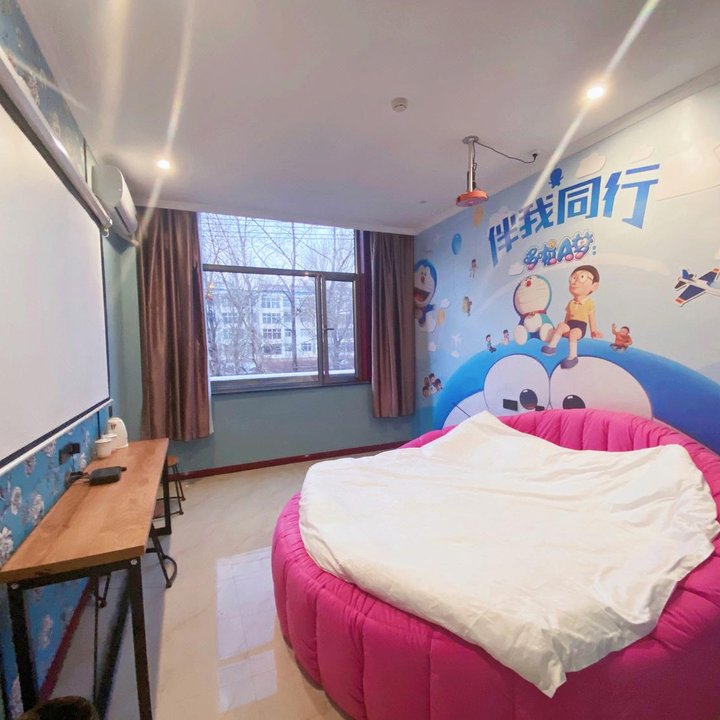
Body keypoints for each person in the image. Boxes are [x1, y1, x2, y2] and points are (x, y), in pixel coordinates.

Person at [542, 265, 603, 369]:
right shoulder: (570, 303)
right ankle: (552, 347)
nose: (575, 282)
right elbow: (567, 317)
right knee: (561, 325)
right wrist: (561, 329)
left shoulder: (589, 303)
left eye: (582, 277)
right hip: (569, 325)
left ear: (594, 286)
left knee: (573, 333)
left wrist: (593, 331)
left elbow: (591, 318)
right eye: (573, 278)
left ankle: (573, 357)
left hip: (580, 328)